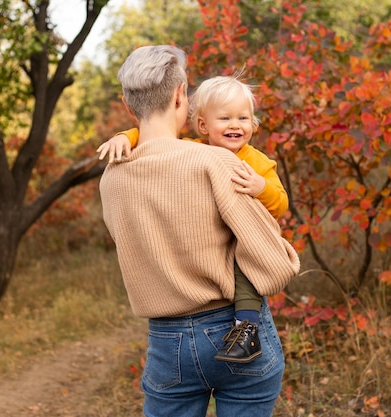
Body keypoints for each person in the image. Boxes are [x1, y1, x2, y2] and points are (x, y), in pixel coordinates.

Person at [99, 45, 300, 417]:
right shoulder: (216, 161)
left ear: (130, 107)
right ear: (181, 97)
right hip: (234, 327)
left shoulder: (112, 176)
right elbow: (274, 262)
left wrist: (127, 137)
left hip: (165, 339)